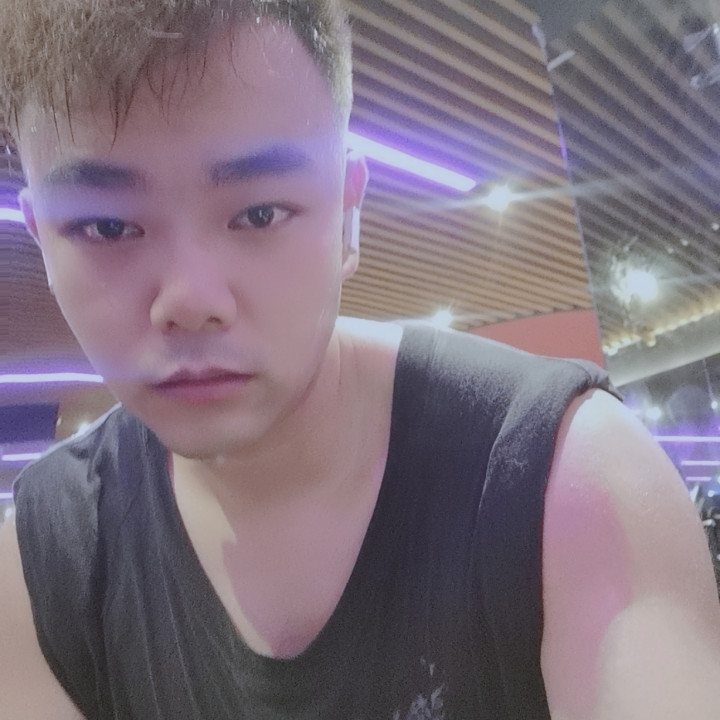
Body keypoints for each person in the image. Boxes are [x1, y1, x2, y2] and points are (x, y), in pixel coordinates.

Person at [1, 1, 719, 718]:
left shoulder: (569, 482)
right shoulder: (42, 569)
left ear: (348, 214)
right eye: (105, 226)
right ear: (41, 237)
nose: (189, 301)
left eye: (259, 213)